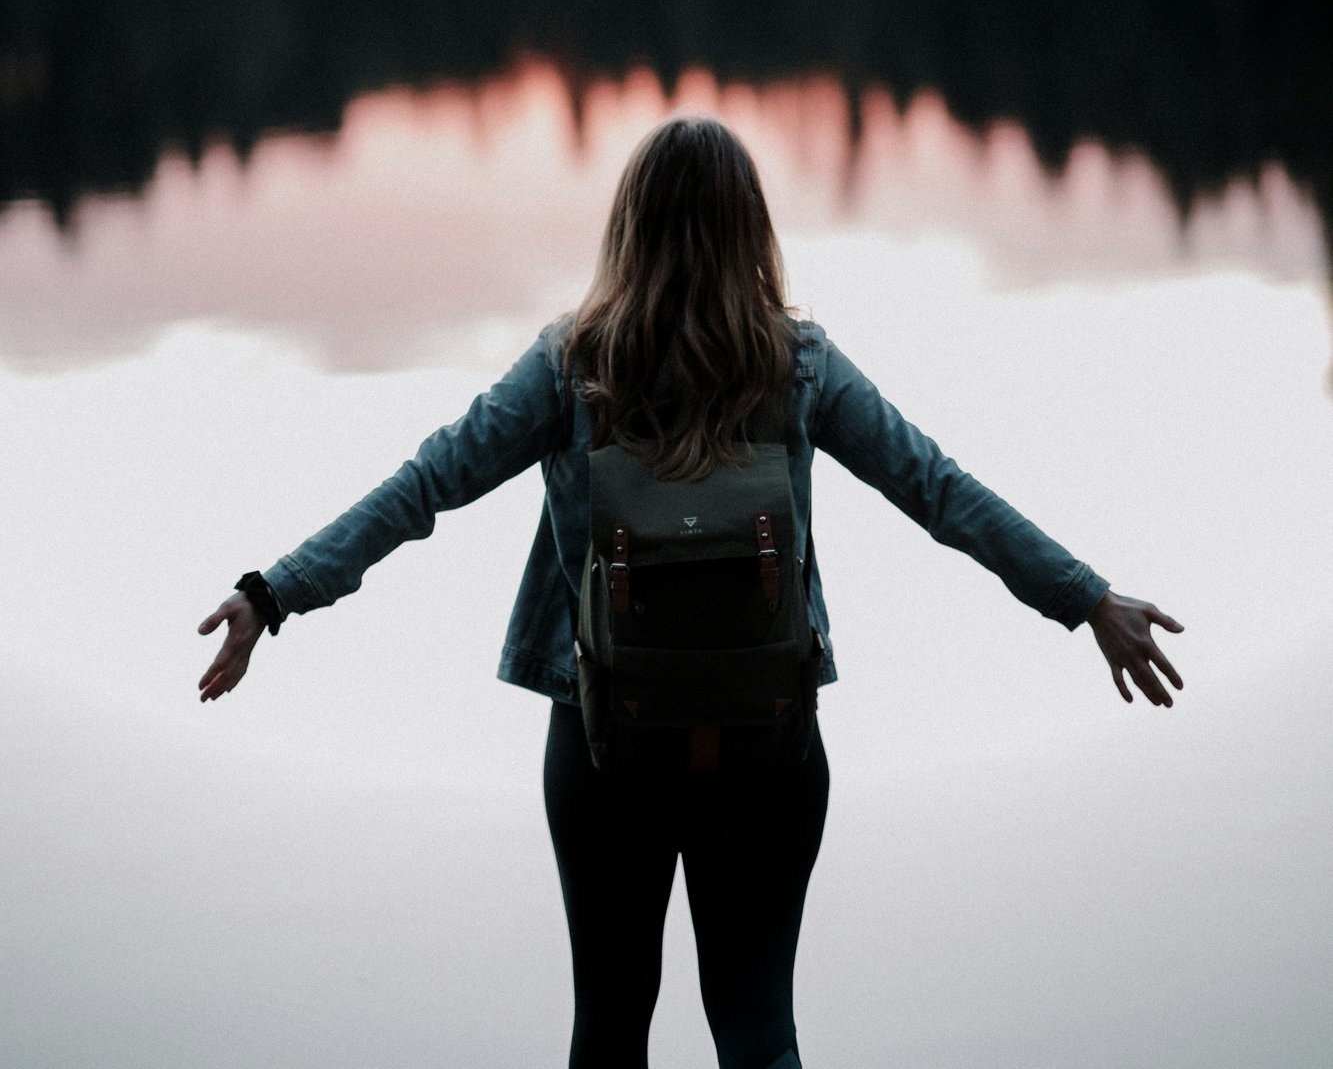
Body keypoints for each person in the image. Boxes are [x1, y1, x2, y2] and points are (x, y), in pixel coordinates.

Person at [198, 115, 1184, 1069]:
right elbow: (937, 490)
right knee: (756, 1029)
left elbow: (425, 487)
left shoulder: (571, 366)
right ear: (751, 230)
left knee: (612, 1028)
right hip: (767, 735)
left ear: (626, 227)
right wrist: (1087, 599)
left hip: (605, 741)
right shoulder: (798, 365)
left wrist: (273, 592)